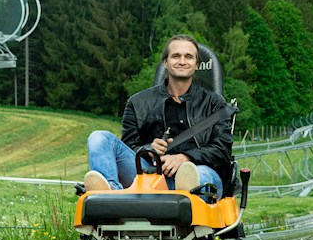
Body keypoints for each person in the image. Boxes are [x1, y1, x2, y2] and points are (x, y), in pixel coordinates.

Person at [83, 34, 234, 197]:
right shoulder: (137, 103)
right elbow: (129, 147)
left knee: (196, 174)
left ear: (196, 64)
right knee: (98, 137)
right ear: (165, 62)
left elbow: (222, 150)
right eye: (176, 56)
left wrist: (186, 158)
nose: (182, 61)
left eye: (188, 57)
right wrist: (147, 149)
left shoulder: (215, 103)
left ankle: (185, 195)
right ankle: (110, 193)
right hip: (150, 175)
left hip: (200, 173)